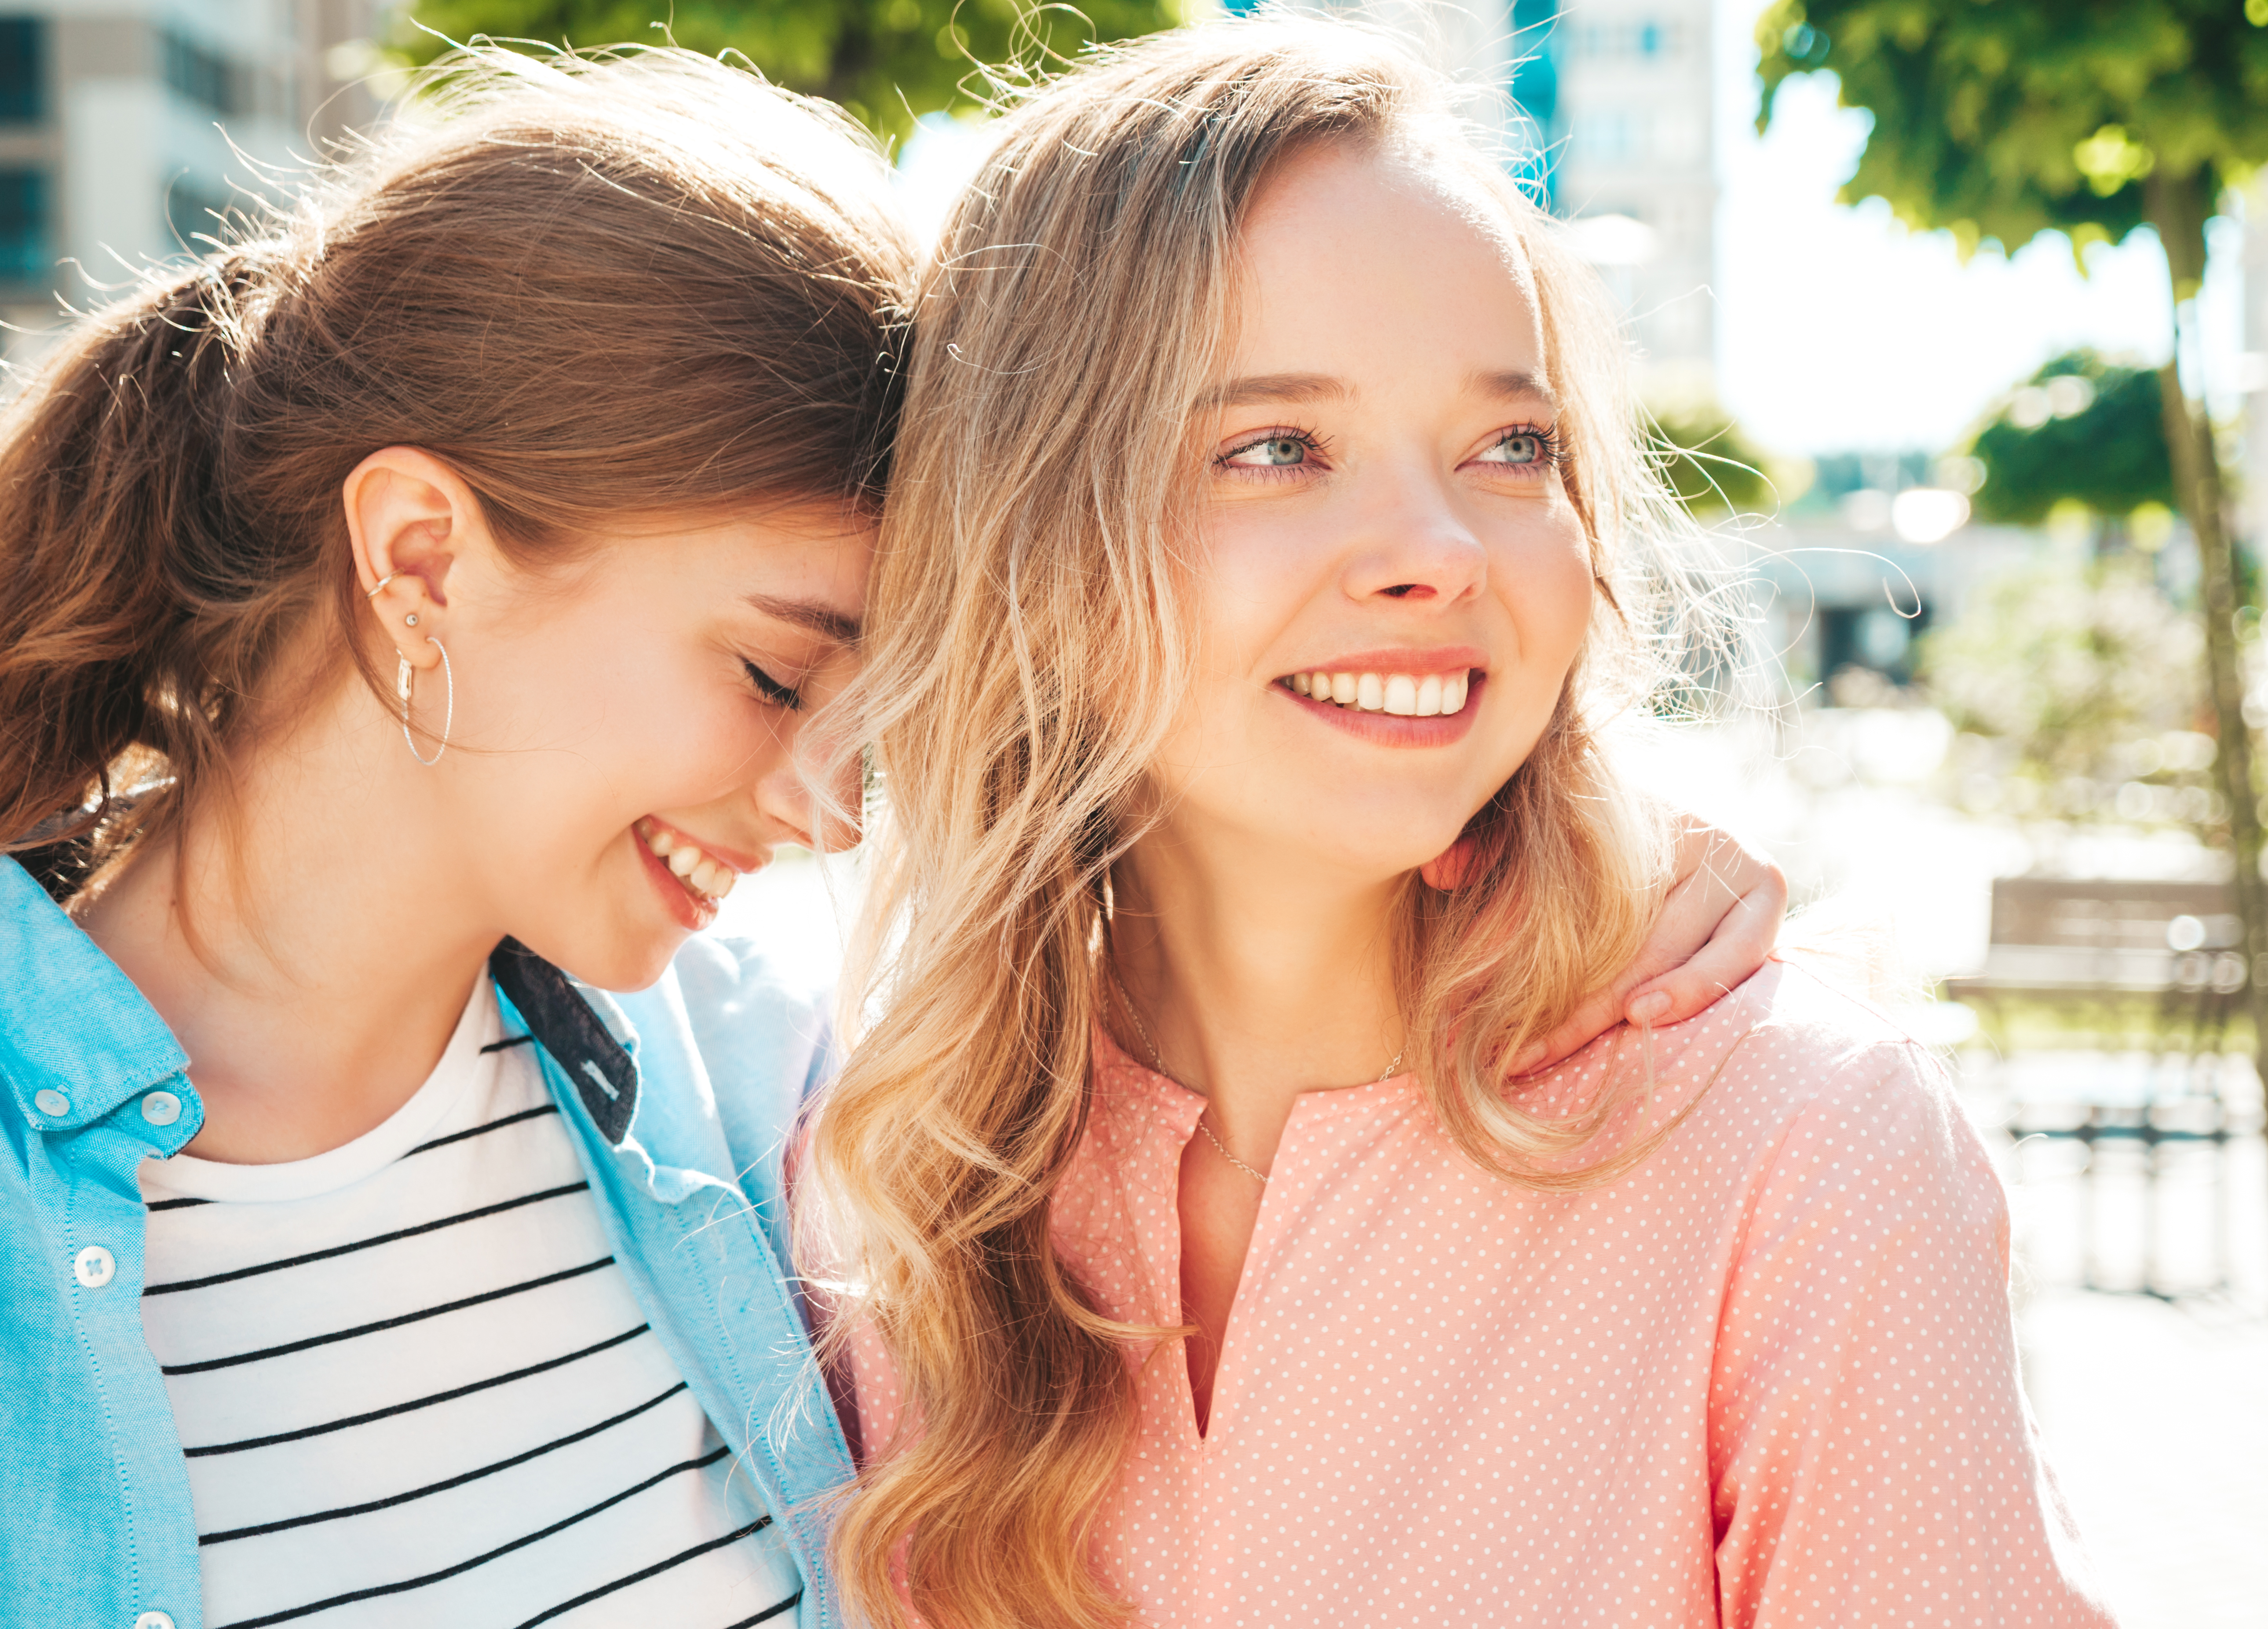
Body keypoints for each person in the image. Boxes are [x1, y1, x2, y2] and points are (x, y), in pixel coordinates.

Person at [0, 39, 1786, 1629]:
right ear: (423, 553)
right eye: (776, 677)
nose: (829, 800)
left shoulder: (764, 1095)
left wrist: (1552, 828)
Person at [804, 19, 2111, 1629]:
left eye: (1512, 447)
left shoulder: (1800, 1150)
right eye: (1274, 448)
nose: (1438, 550)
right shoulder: (888, 1189)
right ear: (1026, 541)